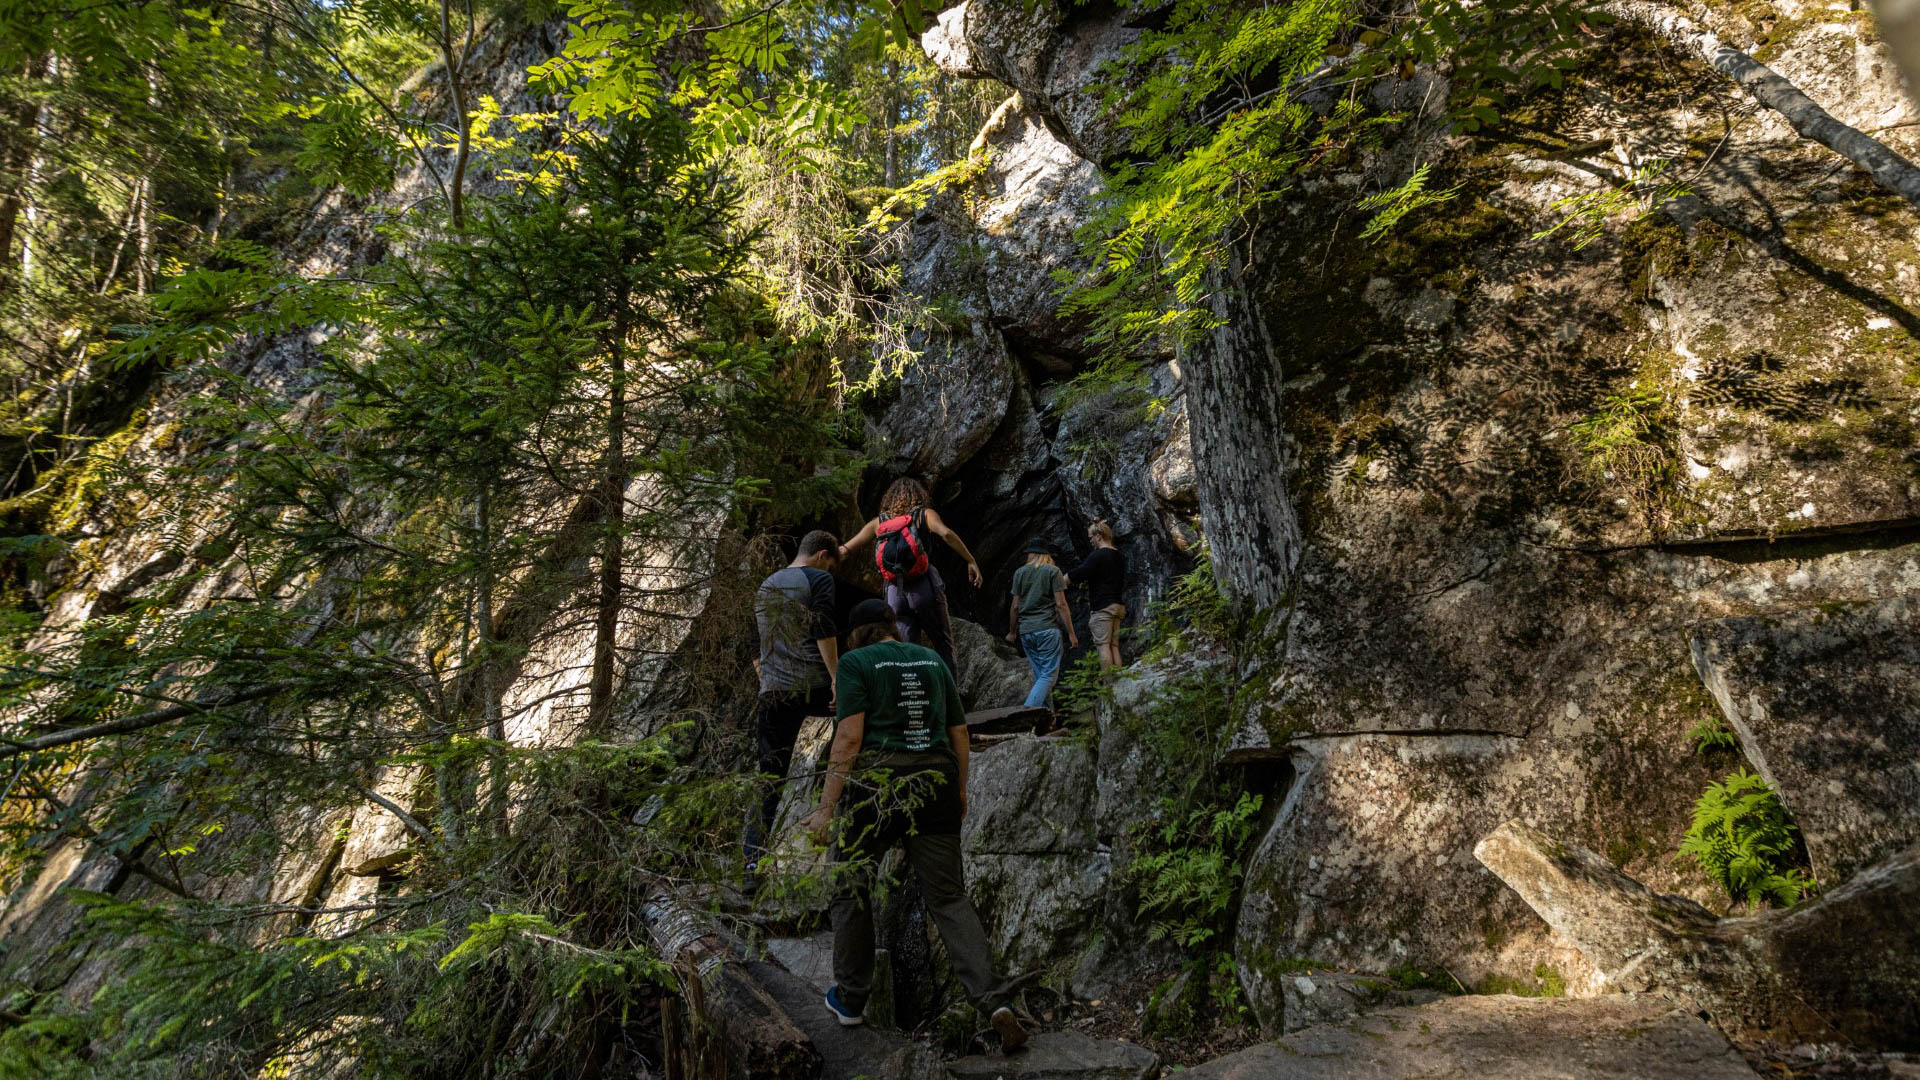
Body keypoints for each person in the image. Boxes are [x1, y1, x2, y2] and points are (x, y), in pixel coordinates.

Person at [801, 599, 1029, 1052]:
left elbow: (849, 736)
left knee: (852, 885)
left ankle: (850, 1000)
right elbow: (958, 733)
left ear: (856, 634)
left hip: (877, 786)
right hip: (936, 782)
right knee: (947, 897)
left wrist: (827, 809)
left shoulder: (854, 664)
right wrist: (960, 790)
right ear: (890, 627)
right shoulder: (931, 660)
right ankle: (994, 1001)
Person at [746, 530, 841, 881]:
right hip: (813, 687)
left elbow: (755, 647)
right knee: (855, 728)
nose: (830, 571)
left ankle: (751, 867)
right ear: (821, 555)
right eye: (830, 564)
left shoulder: (765, 586)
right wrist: (836, 680)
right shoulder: (817, 579)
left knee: (769, 780)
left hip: (773, 693)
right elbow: (824, 628)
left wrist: (768, 680)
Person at [838, 477, 982, 677]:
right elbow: (947, 534)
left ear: (889, 498)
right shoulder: (924, 515)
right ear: (918, 495)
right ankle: (950, 701)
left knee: (904, 648)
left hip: (894, 592)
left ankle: (910, 698)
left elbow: (845, 550)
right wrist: (971, 560)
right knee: (942, 643)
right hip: (925, 588)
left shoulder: (878, 523)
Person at [1005, 538, 1076, 710]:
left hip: (1026, 632)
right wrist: (1071, 633)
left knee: (1040, 677)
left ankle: (1046, 719)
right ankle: (1027, 712)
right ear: (1047, 555)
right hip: (1047, 630)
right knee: (1048, 677)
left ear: (1030, 554)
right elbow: (1061, 605)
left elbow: (1015, 606)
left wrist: (1012, 632)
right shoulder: (1053, 571)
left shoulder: (1020, 573)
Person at [1064, 518, 1126, 669]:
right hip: (1118, 606)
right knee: (1114, 646)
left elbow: (1081, 572)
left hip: (1103, 607)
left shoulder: (1098, 555)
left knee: (1103, 646)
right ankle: (1119, 681)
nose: (1090, 541)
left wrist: (1063, 579)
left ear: (1098, 536)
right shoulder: (1119, 556)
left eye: (1091, 537)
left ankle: (1109, 686)